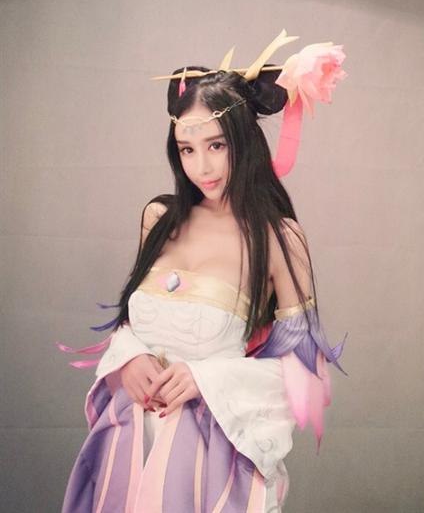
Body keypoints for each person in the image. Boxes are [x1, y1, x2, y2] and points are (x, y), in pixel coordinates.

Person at [57, 29, 348, 512]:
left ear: (243, 142)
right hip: (128, 438)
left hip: (209, 450)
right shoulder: (158, 218)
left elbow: (301, 373)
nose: (202, 167)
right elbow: (133, 322)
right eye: (187, 150)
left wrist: (205, 379)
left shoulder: (278, 238)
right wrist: (128, 358)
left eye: (216, 146)